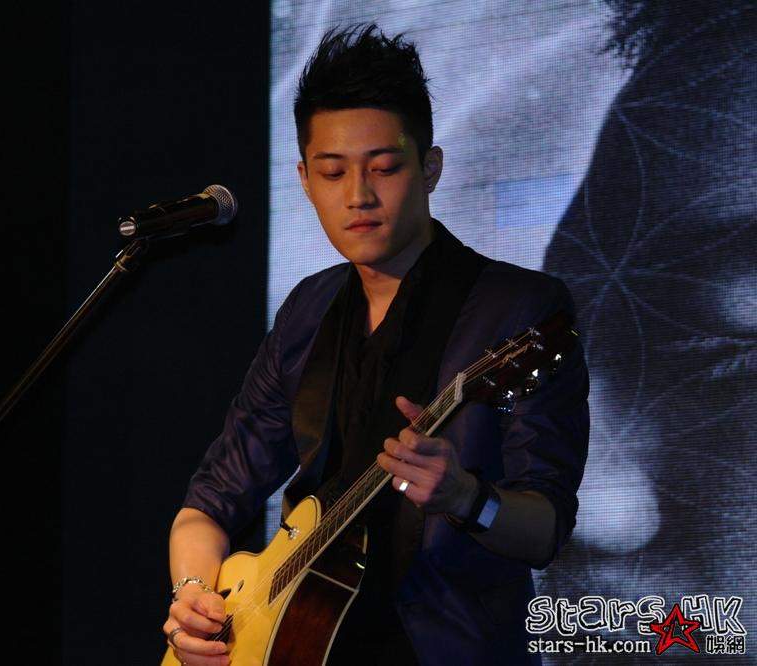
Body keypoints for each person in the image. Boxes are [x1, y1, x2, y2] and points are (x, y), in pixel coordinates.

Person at [162, 24, 589, 665]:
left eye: (384, 168)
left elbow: (545, 529)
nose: (358, 196)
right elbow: (209, 503)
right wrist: (193, 594)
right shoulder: (309, 309)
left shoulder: (520, 310)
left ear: (430, 168)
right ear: (305, 179)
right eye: (332, 172)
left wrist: (465, 497)